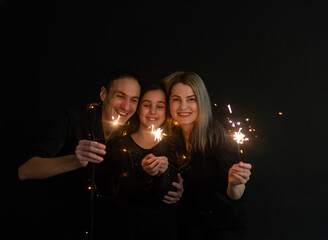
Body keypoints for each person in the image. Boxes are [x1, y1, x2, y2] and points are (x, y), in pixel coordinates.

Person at [18, 69, 142, 239]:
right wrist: (75, 160)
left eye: (133, 100)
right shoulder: (74, 120)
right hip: (62, 228)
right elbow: (25, 171)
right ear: (103, 94)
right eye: (120, 96)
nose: (126, 107)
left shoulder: (134, 132)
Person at [163, 71, 253, 240]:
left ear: (201, 102)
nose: (183, 107)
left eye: (191, 99)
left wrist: (234, 183)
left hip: (221, 229)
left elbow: (236, 194)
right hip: (188, 226)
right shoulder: (172, 137)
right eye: (176, 99)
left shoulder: (218, 137)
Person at [96, 82, 184, 240]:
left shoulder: (175, 145)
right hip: (126, 229)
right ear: (137, 108)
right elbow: (114, 193)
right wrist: (141, 172)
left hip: (165, 230)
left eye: (160, 106)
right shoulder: (119, 144)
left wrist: (164, 173)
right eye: (147, 105)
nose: (152, 112)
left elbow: (170, 196)